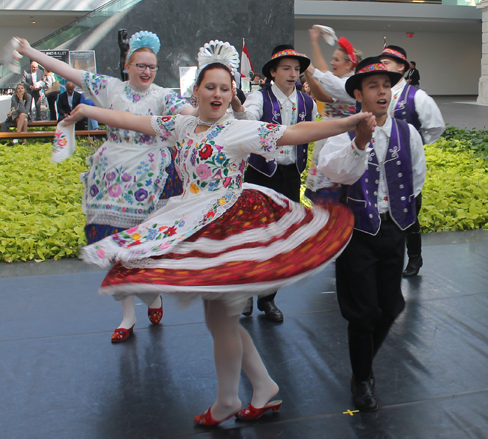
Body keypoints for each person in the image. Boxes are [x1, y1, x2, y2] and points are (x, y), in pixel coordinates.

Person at [63, 47, 373, 426]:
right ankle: (262, 388)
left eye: (224, 89)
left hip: (228, 228)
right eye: (210, 87)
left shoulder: (237, 129)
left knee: (221, 319)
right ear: (196, 91)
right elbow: (131, 119)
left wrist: (351, 122)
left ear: (231, 94)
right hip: (190, 219)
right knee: (220, 319)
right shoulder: (183, 126)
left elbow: (295, 133)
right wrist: (87, 111)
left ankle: (229, 399)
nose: (217, 94)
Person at [15, 32, 195, 343]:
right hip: (110, 180)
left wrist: (212, 110)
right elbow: (66, 70)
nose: (146, 71)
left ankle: (152, 297)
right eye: (140, 65)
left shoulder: (164, 96)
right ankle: (127, 315)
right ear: (127, 65)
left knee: (144, 252)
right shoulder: (108, 87)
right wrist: (31, 50)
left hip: (151, 181)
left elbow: (190, 114)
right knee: (114, 252)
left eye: (151, 67)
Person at [318, 57, 426, 412]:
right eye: (373, 86)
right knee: (362, 311)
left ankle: (364, 365)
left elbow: (416, 177)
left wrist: (403, 217)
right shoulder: (341, 131)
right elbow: (336, 173)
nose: (382, 92)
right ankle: (362, 377)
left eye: (386, 85)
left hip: (392, 228)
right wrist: (359, 144)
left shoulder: (406, 132)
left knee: (392, 305)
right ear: (359, 95)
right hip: (357, 232)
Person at [232, 45, 317, 322]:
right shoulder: (260, 97)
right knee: (253, 235)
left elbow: (312, 132)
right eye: (286, 68)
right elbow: (247, 120)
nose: (293, 74)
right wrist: (237, 106)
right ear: (272, 72)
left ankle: (268, 299)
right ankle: (245, 295)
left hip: (290, 174)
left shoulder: (307, 102)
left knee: (280, 237)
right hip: (260, 173)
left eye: (296, 69)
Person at [379, 46, 445, 277]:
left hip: (405, 166)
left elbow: (436, 126)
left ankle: (415, 259)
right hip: (376, 166)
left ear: (402, 67)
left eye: (388, 62)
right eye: (382, 62)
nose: (383, 66)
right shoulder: (374, 92)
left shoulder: (416, 96)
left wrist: (415, 143)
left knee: (408, 213)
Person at [304, 28, 361, 205]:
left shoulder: (349, 83)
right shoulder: (340, 81)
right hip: (329, 138)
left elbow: (324, 83)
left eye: (336, 60)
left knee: (333, 194)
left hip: (340, 141)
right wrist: (307, 70)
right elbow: (322, 90)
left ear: (350, 64)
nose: (332, 63)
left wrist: (313, 47)